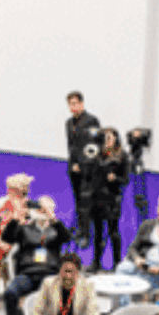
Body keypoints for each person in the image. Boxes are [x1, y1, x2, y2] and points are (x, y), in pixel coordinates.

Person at [0, 198, 69, 315]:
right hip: (28, 274)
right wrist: (16, 218)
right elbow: (7, 238)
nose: (43, 212)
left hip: (50, 275)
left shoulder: (56, 229)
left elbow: (67, 238)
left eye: (47, 209)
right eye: (41, 209)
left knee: (60, 297)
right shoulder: (25, 229)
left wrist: (53, 218)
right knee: (10, 293)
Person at [84, 128, 129, 271]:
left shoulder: (122, 156)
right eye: (105, 137)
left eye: (110, 137)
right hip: (96, 196)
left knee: (112, 231)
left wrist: (115, 178)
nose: (107, 140)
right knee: (97, 231)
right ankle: (96, 262)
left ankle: (117, 263)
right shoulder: (97, 154)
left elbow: (126, 179)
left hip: (112, 198)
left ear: (116, 138)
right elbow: (88, 174)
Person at [64, 92, 100, 235]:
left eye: (74, 103)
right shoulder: (69, 123)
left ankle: (86, 232)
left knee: (86, 200)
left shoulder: (92, 121)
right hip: (73, 167)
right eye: (70, 104)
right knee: (77, 199)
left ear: (81, 104)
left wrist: (82, 164)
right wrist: (73, 163)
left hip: (87, 168)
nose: (72, 107)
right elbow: (71, 146)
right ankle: (80, 227)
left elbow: (93, 146)